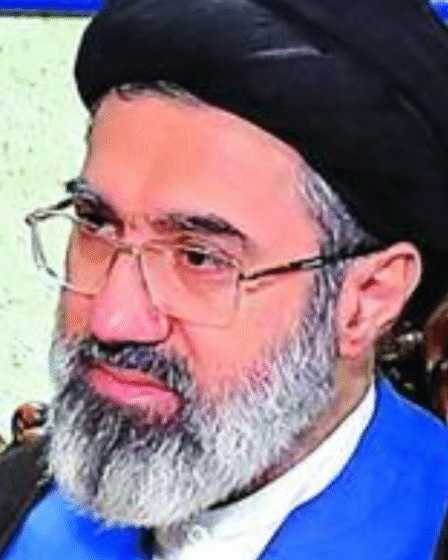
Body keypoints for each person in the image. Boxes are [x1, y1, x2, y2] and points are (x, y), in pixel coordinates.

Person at [1, 0, 448, 558]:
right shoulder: (15, 507)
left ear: (367, 298)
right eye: (96, 224)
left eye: (199, 257)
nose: (114, 318)